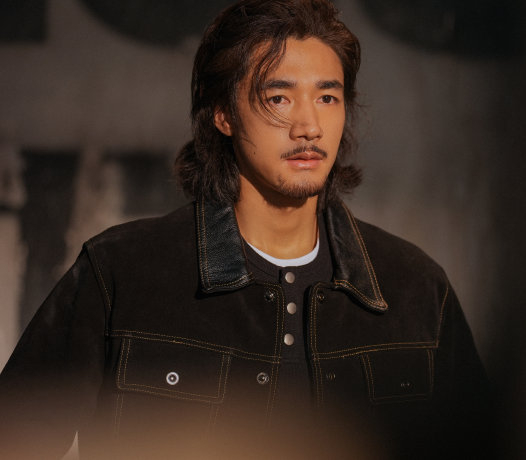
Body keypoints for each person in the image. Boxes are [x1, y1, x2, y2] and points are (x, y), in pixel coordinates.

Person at [0, 0, 491, 458]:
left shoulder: (414, 289)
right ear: (223, 114)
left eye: (327, 97)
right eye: (279, 97)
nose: (309, 126)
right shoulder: (122, 272)